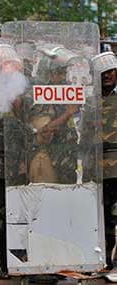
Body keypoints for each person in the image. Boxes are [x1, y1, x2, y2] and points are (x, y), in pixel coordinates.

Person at [92, 52, 117, 277]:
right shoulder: (90, 101)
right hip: (99, 169)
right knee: (103, 218)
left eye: (111, 71)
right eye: (103, 73)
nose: (108, 76)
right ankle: (106, 261)